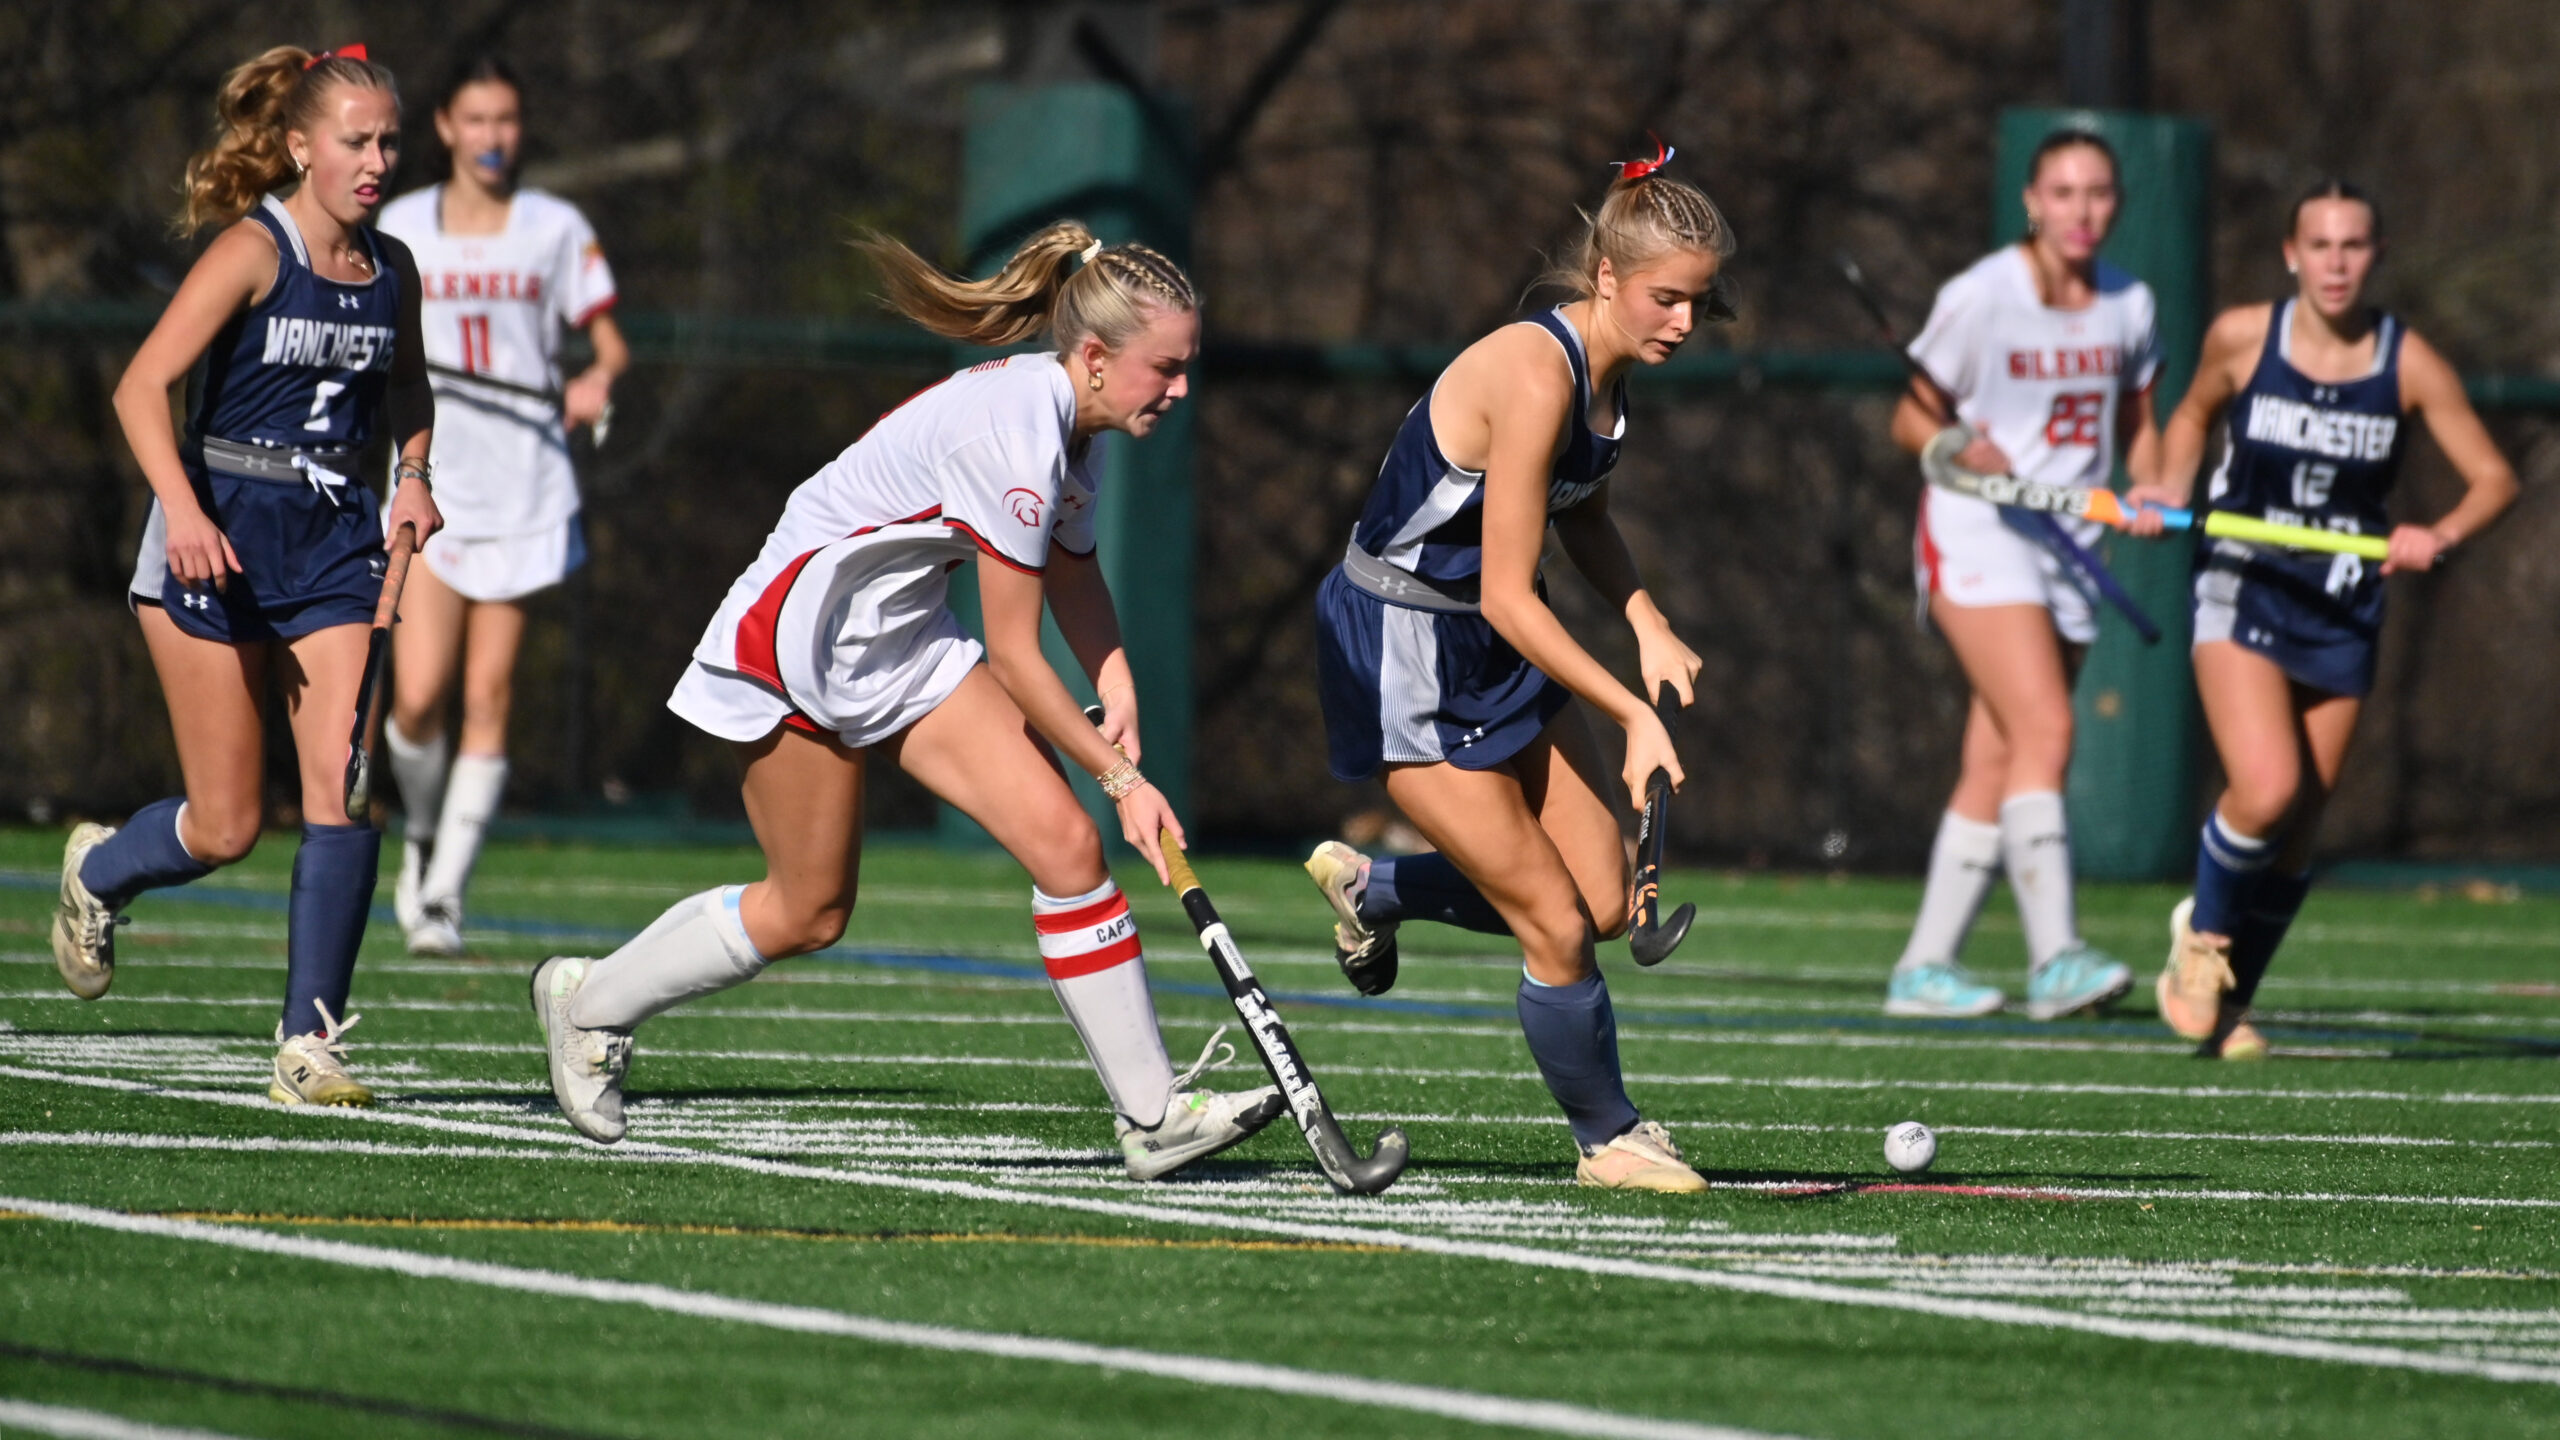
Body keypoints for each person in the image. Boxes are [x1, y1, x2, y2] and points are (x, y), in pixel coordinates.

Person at [529, 221, 1283, 1178]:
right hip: (803, 638)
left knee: (1066, 847)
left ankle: (1154, 1117)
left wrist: (1116, 678)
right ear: (1094, 357)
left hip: (905, 641)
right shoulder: (1014, 431)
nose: (1179, 390)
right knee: (808, 910)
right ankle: (588, 1003)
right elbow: (1013, 652)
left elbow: (1074, 569)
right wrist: (1124, 776)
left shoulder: (1074, 426)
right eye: (1164, 369)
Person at [1300, 141, 1724, 1192]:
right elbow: (1505, 590)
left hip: (1485, 638)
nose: (1682, 323)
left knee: (1603, 900)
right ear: (1608, 279)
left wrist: (1646, 618)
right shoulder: (1537, 375)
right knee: (1549, 920)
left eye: (1700, 305)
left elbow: (1584, 520)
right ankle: (1608, 1138)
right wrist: (1633, 714)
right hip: (1403, 639)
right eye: (1665, 299)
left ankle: (1377, 889)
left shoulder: (1608, 376)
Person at [53, 44, 441, 1106]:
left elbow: (408, 387)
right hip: (217, 534)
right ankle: (97, 872)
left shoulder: (393, 267)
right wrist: (180, 510)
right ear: (300, 147)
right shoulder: (251, 251)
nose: (375, 160)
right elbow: (142, 389)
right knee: (227, 825)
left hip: (332, 543)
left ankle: (309, 1044)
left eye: (388, 141)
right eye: (355, 142)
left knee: (345, 792)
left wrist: (412, 476)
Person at [2124, 181, 2517, 1059]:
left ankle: (2229, 1006)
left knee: (2298, 834)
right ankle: (2203, 946)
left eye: (2354, 246)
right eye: (2321, 245)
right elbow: (2190, 415)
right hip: (2245, 579)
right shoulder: (2242, 336)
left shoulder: (2407, 361)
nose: (2337, 263)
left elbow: (2494, 478)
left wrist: (2437, 533)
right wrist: (2168, 486)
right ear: (2291, 255)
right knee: (2267, 789)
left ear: (2375, 256)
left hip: (2343, 599)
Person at [1880, 128, 2160, 1023]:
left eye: (2099, 194)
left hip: (2072, 542)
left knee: (1997, 754)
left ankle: (1924, 968)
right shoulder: (1980, 298)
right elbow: (1909, 422)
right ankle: (2056, 959)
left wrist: (2152, 488)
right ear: (2033, 201)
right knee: (2045, 725)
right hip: (1979, 528)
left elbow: (2142, 422)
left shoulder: (2131, 302)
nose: (2082, 212)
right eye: (2064, 193)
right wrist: (1959, 443)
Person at [376, 55, 627, 956]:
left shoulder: (556, 227)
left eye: (507, 120)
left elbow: (607, 346)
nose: (493, 138)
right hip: (432, 478)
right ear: (445, 126)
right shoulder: (399, 224)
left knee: (489, 693)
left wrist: (595, 379)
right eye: (476, 120)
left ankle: (443, 894)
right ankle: (422, 832)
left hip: (525, 483)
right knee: (417, 699)